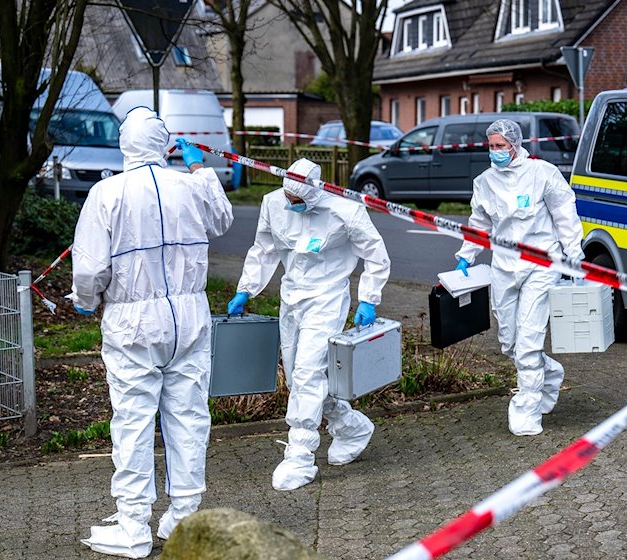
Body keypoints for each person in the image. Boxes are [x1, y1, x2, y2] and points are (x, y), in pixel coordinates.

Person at [68, 107, 233, 558]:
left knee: (134, 421)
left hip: (133, 322)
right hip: (190, 317)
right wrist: (199, 166)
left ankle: (133, 525)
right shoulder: (191, 186)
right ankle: (184, 518)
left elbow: (88, 269)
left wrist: (87, 301)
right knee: (188, 418)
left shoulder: (107, 193)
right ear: (165, 146)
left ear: (124, 146)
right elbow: (222, 220)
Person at [228, 158, 391, 491]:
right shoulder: (273, 203)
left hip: (328, 295)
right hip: (292, 296)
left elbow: (375, 253)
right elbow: (264, 249)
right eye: (288, 197)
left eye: (298, 200)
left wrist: (369, 297)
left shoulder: (345, 210)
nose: (291, 204)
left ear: (316, 192)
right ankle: (350, 426)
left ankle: (300, 456)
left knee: (307, 372)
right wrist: (246, 288)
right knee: (298, 376)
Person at [454, 119, 584, 436]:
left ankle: (527, 409)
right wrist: (466, 255)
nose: (495, 152)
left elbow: (564, 209)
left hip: (541, 262)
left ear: (515, 144)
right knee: (509, 341)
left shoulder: (542, 173)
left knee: (528, 341)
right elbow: (479, 222)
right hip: (504, 264)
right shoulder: (484, 182)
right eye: (491, 146)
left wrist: (573, 250)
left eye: (501, 146)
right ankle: (549, 374)